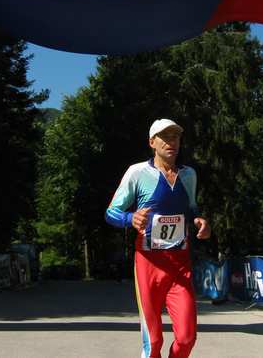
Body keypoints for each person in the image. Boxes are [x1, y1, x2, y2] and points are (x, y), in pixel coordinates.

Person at [105, 119, 211, 358]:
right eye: (165, 137)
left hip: (179, 266)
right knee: (152, 342)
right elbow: (111, 212)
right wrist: (130, 218)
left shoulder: (189, 175)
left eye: (175, 136)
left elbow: (191, 209)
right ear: (152, 142)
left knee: (186, 339)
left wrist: (199, 221)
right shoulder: (138, 172)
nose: (171, 142)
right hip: (148, 265)